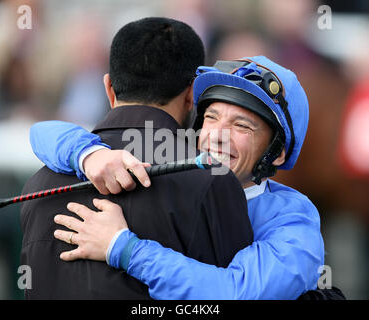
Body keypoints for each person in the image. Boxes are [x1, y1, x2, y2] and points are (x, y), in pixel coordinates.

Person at [30, 56, 327, 299]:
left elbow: (237, 294)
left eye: (241, 125)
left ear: (276, 154)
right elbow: (41, 133)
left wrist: (125, 249)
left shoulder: (293, 219)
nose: (216, 136)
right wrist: (90, 155)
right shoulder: (186, 174)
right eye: (211, 118)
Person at [20, 17, 253, 299]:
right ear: (192, 94)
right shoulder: (211, 178)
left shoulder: (37, 185)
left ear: (108, 88)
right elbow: (240, 292)